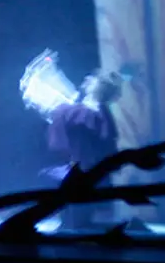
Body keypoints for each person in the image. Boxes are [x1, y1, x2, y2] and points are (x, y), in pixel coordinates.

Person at [44, 69, 123, 232]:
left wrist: (60, 111)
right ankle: (73, 228)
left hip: (84, 164)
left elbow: (98, 135)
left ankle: (74, 231)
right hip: (82, 163)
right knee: (74, 206)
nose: (87, 78)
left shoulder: (89, 112)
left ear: (99, 87)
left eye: (93, 79)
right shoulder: (88, 111)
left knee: (77, 208)